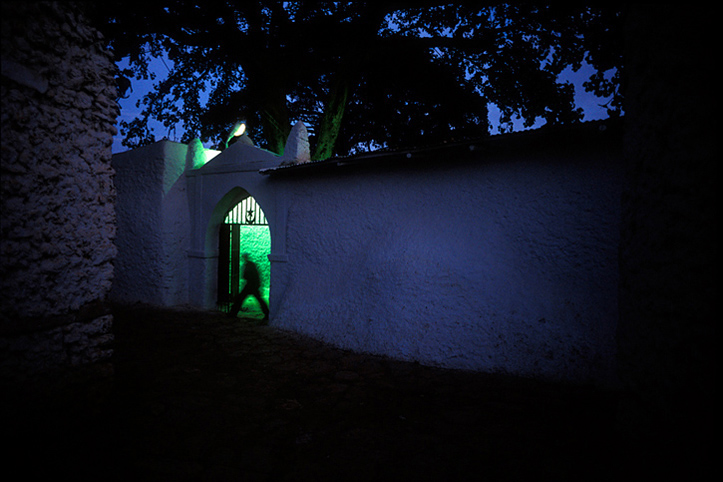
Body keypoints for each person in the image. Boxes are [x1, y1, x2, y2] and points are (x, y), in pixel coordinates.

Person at [228, 253, 269, 321]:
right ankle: (267, 313)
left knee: (240, 298)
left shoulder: (248, 265)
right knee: (258, 299)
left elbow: (246, 276)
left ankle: (233, 313)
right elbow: (256, 276)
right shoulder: (251, 265)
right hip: (252, 285)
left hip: (250, 285)